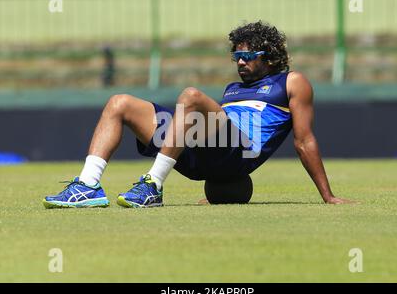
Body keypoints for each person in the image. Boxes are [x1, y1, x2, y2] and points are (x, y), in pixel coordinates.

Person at [43, 21, 353, 209]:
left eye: (248, 56)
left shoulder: (291, 81)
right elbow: (209, 131)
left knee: (191, 96)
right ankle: (87, 187)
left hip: (241, 151)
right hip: (204, 154)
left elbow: (304, 140)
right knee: (119, 102)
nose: (240, 62)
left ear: (269, 58)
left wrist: (327, 196)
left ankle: (152, 185)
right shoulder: (232, 88)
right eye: (236, 56)